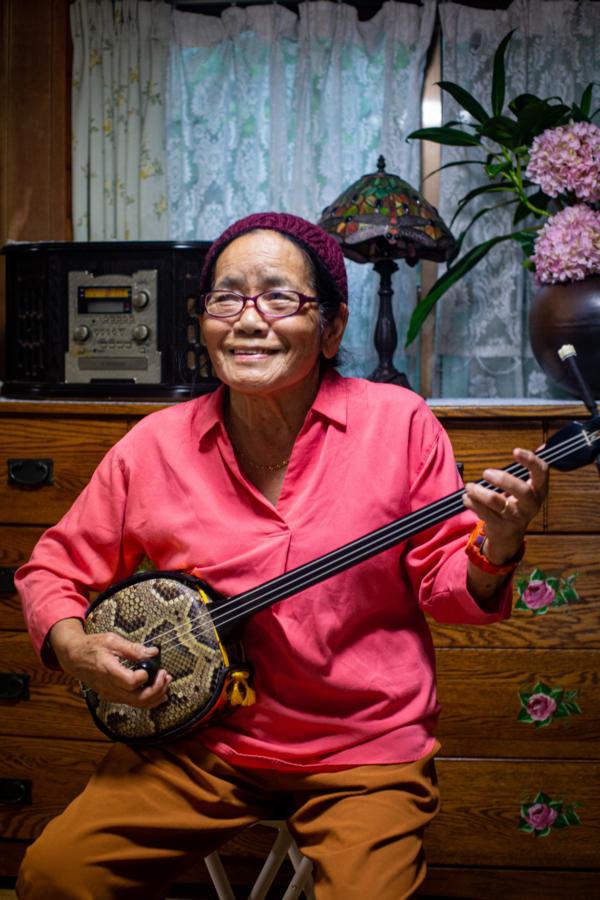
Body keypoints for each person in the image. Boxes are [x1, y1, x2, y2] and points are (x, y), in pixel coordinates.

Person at [15, 212, 548, 900]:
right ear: (203, 320)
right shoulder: (155, 445)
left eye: (279, 297)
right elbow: (52, 568)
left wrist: (496, 544)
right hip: (204, 742)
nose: (248, 320)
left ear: (331, 328)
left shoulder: (399, 423)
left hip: (363, 747)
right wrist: (75, 647)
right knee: (54, 878)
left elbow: (447, 590)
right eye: (226, 298)